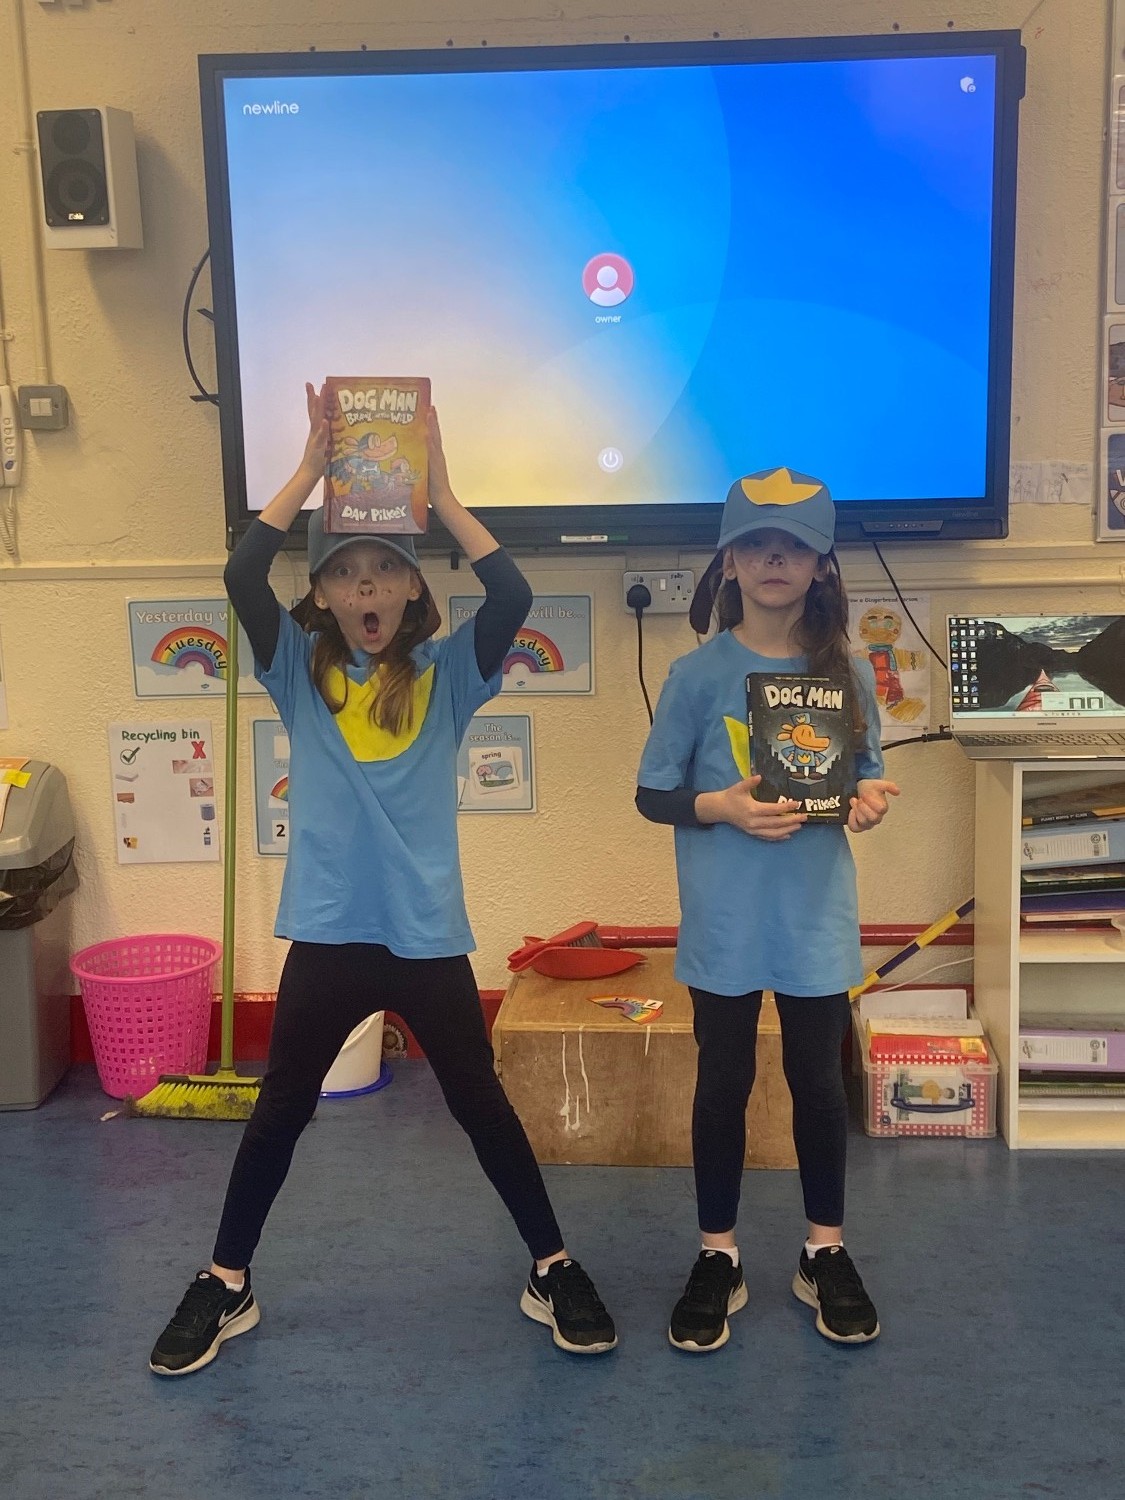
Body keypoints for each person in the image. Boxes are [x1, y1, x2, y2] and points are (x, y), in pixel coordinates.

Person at [149, 384, 616, 1376]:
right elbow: (240, 572)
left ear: (411, 589)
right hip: (328, 932)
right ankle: (226, 1281)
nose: (366, 590)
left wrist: (439, 495)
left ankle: (553, 1265)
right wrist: (308, 473)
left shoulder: (448, 676)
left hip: (423, 935)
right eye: (346, 574)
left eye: (385, 572)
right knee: (281, 1108)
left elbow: (513, 598)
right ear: (321, 594)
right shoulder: (297, 669)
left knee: (480, 1103)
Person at [635, 466, 899, 1351]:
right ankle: (718, 1253)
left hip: (813, 916)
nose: (773, 560)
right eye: (755, 545)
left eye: (793, 546)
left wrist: (868, 800)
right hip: (725, 919)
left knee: (817, 1084)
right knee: (722, 1082)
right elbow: (652, 794)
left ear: (822, 566)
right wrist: (720, 806)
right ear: (729, 563)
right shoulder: (696, 674)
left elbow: (864, 777)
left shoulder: (847, 671)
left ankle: (823, 1250)